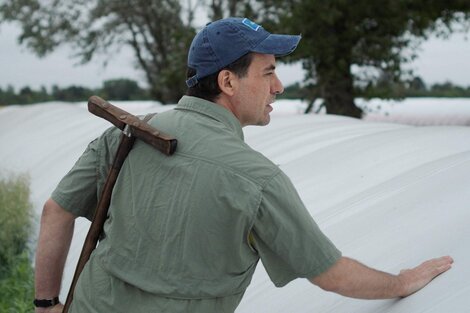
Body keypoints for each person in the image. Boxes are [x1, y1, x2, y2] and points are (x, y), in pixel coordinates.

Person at [34, 17, 453, 313]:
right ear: (228, 82)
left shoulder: (124, 135)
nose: (279, 86)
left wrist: (46, 304)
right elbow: (331, 274)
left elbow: (57, 211)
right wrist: (401, 283)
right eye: (268, 71)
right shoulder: (256, 179)